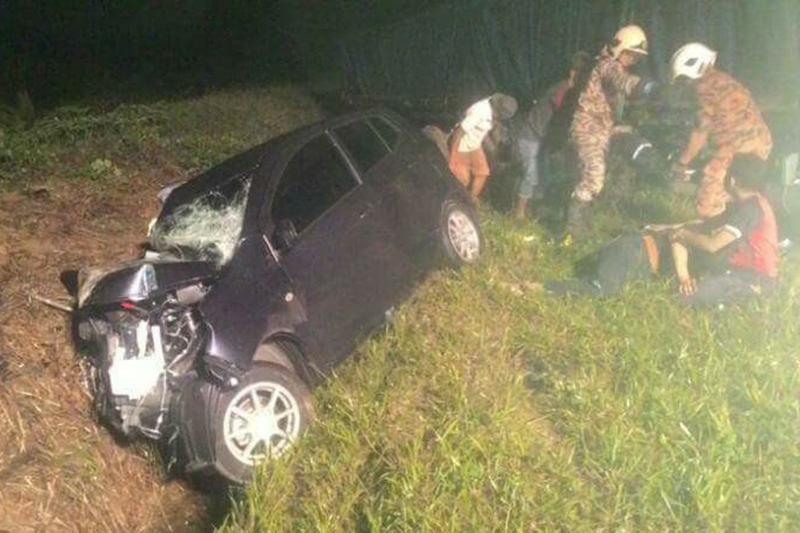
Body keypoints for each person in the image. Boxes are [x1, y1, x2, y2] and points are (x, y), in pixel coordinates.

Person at [566, 25, 657, 236]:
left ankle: (583, 226)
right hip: (586, 130)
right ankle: (572, 233)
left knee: (593, 180)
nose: (633, 60)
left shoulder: (613, 66)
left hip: (601, 131)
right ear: (619, 48)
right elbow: (622, 81)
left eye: (637, 57)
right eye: (630, 54)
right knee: (594, 177)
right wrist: (646, 87)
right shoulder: (607, 65)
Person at [669, 43, 773, 219]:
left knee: (708, 200)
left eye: (685, 78)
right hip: (760, 143)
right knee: (738, 191)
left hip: (737, 147)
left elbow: (701, 131)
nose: (686, 83)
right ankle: (741, 228)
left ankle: (713, 238)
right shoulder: (725, 81)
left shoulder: (705, 89)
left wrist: (683, 162)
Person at [668, 154, 779, 306]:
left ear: (732, 180)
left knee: (682, 299)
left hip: (754, 279)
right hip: (744, 273)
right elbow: (704, 225)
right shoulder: (751, 203)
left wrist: (681, 233)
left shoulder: (750, 209)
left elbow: (713, 245)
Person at [514, 51, 591, 220]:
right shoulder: (562, 90)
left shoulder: (575, 93)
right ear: (573, 72)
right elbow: (561, 112)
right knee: (532, 175)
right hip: (531, 135)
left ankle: (529, 211)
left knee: (543, 178)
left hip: (543, 140)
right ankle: (519, 214)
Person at [449, 93, 518, 201]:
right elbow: (460, 130)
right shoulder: (479, 111)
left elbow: (492, 130)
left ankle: (472, 199)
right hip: (462, 143)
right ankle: (456, 200)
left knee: (483, 172)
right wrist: (454, 152)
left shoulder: (493, 113)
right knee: (463, 178)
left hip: (475, 144)